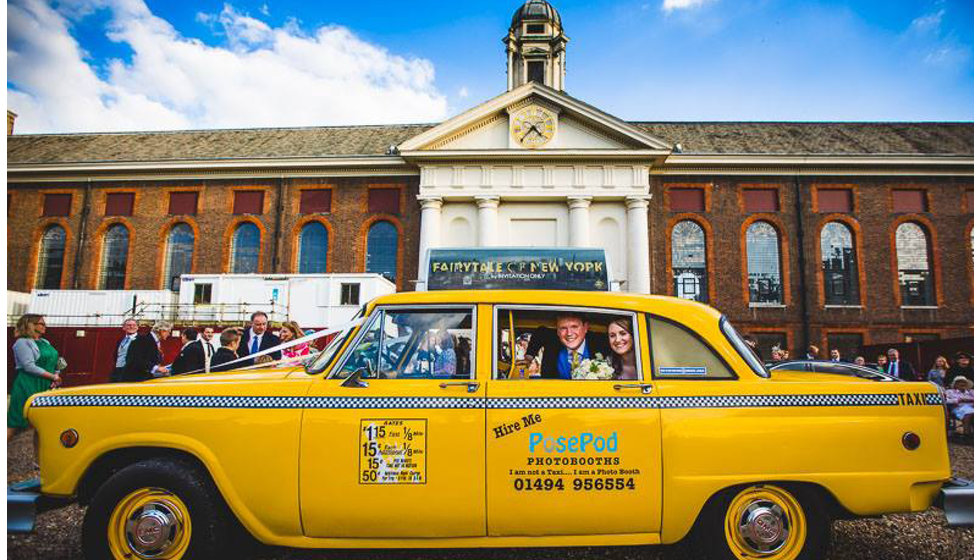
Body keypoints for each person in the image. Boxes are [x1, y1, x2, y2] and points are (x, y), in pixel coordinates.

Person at [8, 314, 62, 440]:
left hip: (45, 385)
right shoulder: (21, 342)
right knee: (15, 422)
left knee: (38, 424)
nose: (45, 326)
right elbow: (29, 366)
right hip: (27, 384)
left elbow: (56, 361)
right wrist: (53, 377)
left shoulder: (45, 342)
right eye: (41, 324)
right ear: (30, 325)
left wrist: (56, 376)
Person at [525, 313, 612, 380]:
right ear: (558, 331)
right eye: (563, 328)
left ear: (585, 328)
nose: (569, 333)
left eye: (574, 327)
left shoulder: (601, 342)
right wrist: (529, 356)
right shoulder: (552, 340)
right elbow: (539, 333)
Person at [111, 318, 139, 383]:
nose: (131, 327)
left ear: (137, 327)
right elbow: (116, 355)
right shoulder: (121, 340)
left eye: (134, 325)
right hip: (118, 370)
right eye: (129, 325)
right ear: (124, 327)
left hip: (132, 371)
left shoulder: (142, 340)